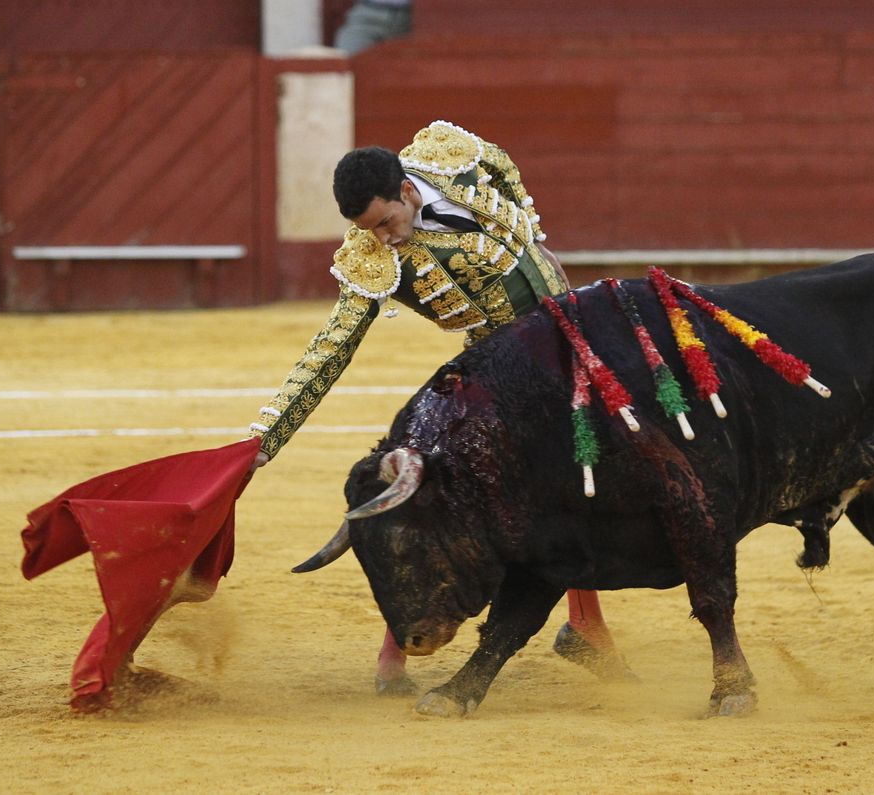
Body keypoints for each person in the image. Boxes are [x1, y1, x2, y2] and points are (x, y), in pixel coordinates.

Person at [246, 121, 628, 694]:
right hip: (501, 371)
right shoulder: (370, 262)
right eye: (367, 232)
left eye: (385, 224)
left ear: (404, 190)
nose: (383, 241)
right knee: (450, 503)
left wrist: (529, 233)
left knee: (587, 478)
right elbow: (329, 350)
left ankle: (586, 626)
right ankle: (393, 655)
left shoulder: (449, 156)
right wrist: (266, 440)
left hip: (571, 341)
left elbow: (500, 162)